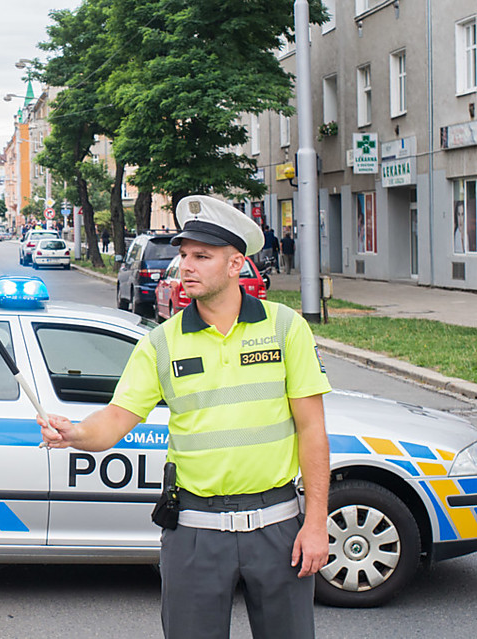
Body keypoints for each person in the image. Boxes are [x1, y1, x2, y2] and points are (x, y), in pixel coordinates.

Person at [39, 195, 331, 639]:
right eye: (182, 255)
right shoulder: (161, 343)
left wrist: (315, 523)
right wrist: (75, 433)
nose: (185, 266)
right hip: (195, 534)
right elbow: (117, 418)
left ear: (236, 265)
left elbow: (312, 429)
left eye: (201, 256)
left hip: (278, 528)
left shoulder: (285, 327)